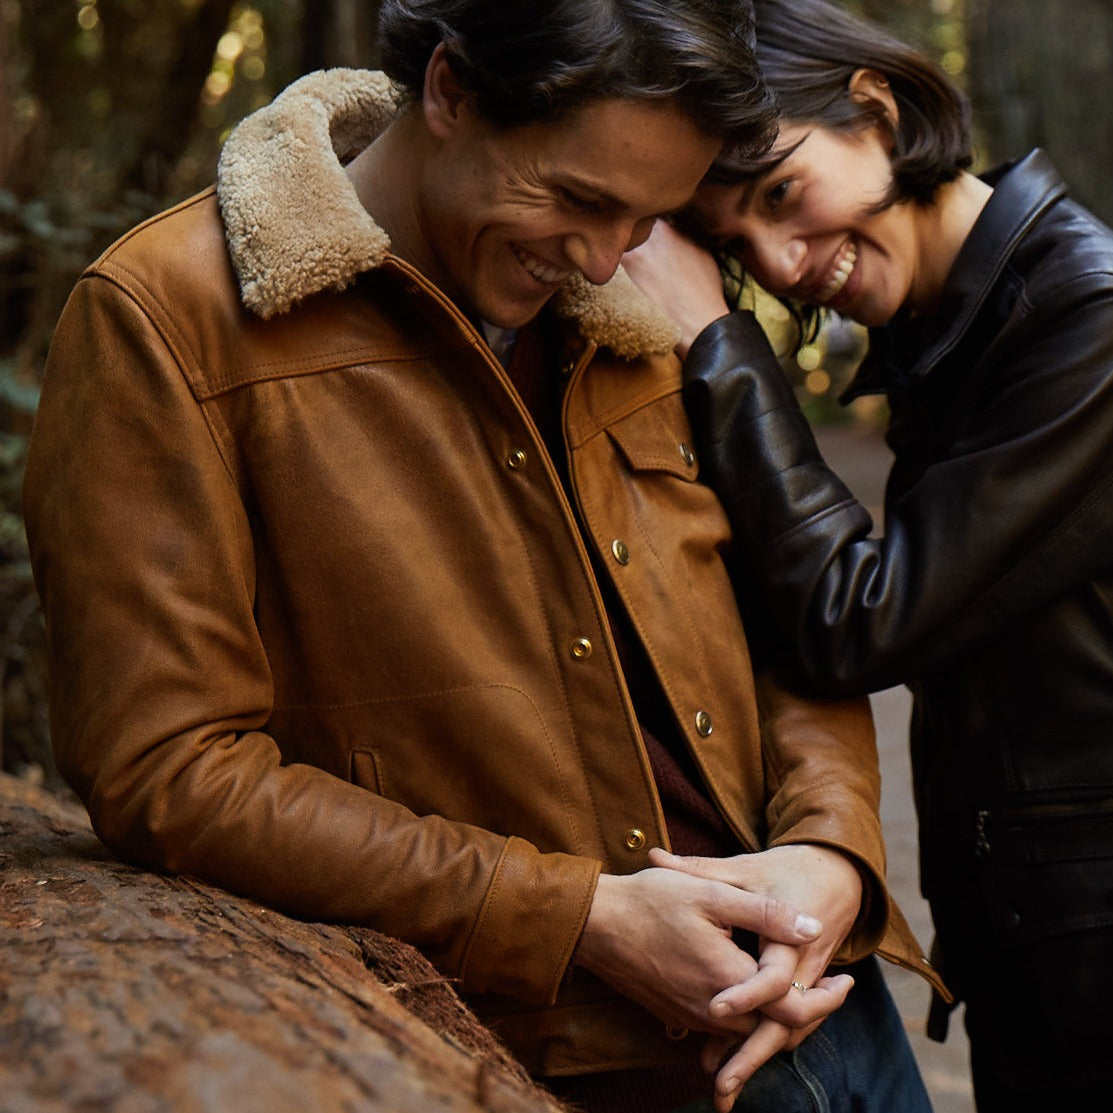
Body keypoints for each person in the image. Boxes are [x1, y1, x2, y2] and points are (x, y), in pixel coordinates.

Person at [22, 2, 943, 1111]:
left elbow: (788, 625)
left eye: (647, 220)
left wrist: (833, 857)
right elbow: (168, 767)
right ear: (451, 92)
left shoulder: (638, 298)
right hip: (537, 1059)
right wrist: (576, 919)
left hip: (832, 1016)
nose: (606, 259)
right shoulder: (166, 318)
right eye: (580, 200)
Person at [621, 0, 1113, 1108]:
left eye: (783, 196)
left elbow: (860, 620)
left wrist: (719, 345)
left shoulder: (1089, 322)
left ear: (875, 110)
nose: (787, 266)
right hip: (1036, 940)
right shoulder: (961, 327)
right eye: (739, 250)